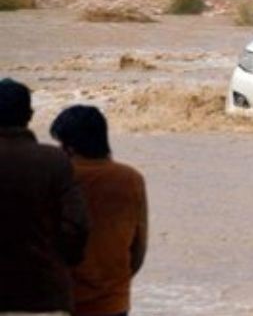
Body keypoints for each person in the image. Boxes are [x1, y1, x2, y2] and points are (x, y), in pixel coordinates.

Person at [0, 79, 89, 316]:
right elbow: (76, 226)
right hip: (45, 295)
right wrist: (56, 260)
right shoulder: (55, 161)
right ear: (29, 114)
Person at [50, 106, 148, 316]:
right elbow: (138, 249)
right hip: (114, 301)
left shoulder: (60, 177)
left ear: (69, 146)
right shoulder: (131, 179)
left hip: (67, 301)